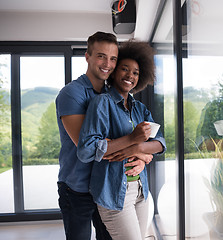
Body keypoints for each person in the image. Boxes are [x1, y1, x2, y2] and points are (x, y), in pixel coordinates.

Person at [55, 32, 151, 240]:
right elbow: (88, 147)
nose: (107, 63)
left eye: (113, 58)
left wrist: (143, 157)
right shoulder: (72, 93)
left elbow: (117, 142)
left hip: (108, 187)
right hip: (77, 188)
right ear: (87, 56)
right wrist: (136, 147)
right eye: (101, 56)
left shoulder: (114, 95)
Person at [77, 40, 166, 240]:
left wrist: (137, 151)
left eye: (135, 72)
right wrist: (132, 138)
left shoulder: (140, 109)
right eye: (125, 69)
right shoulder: (101, 103)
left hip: (141, 192)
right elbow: (86, 150)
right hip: (114, 194)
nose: (130, 76)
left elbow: (160, 143)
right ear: (114, 71)